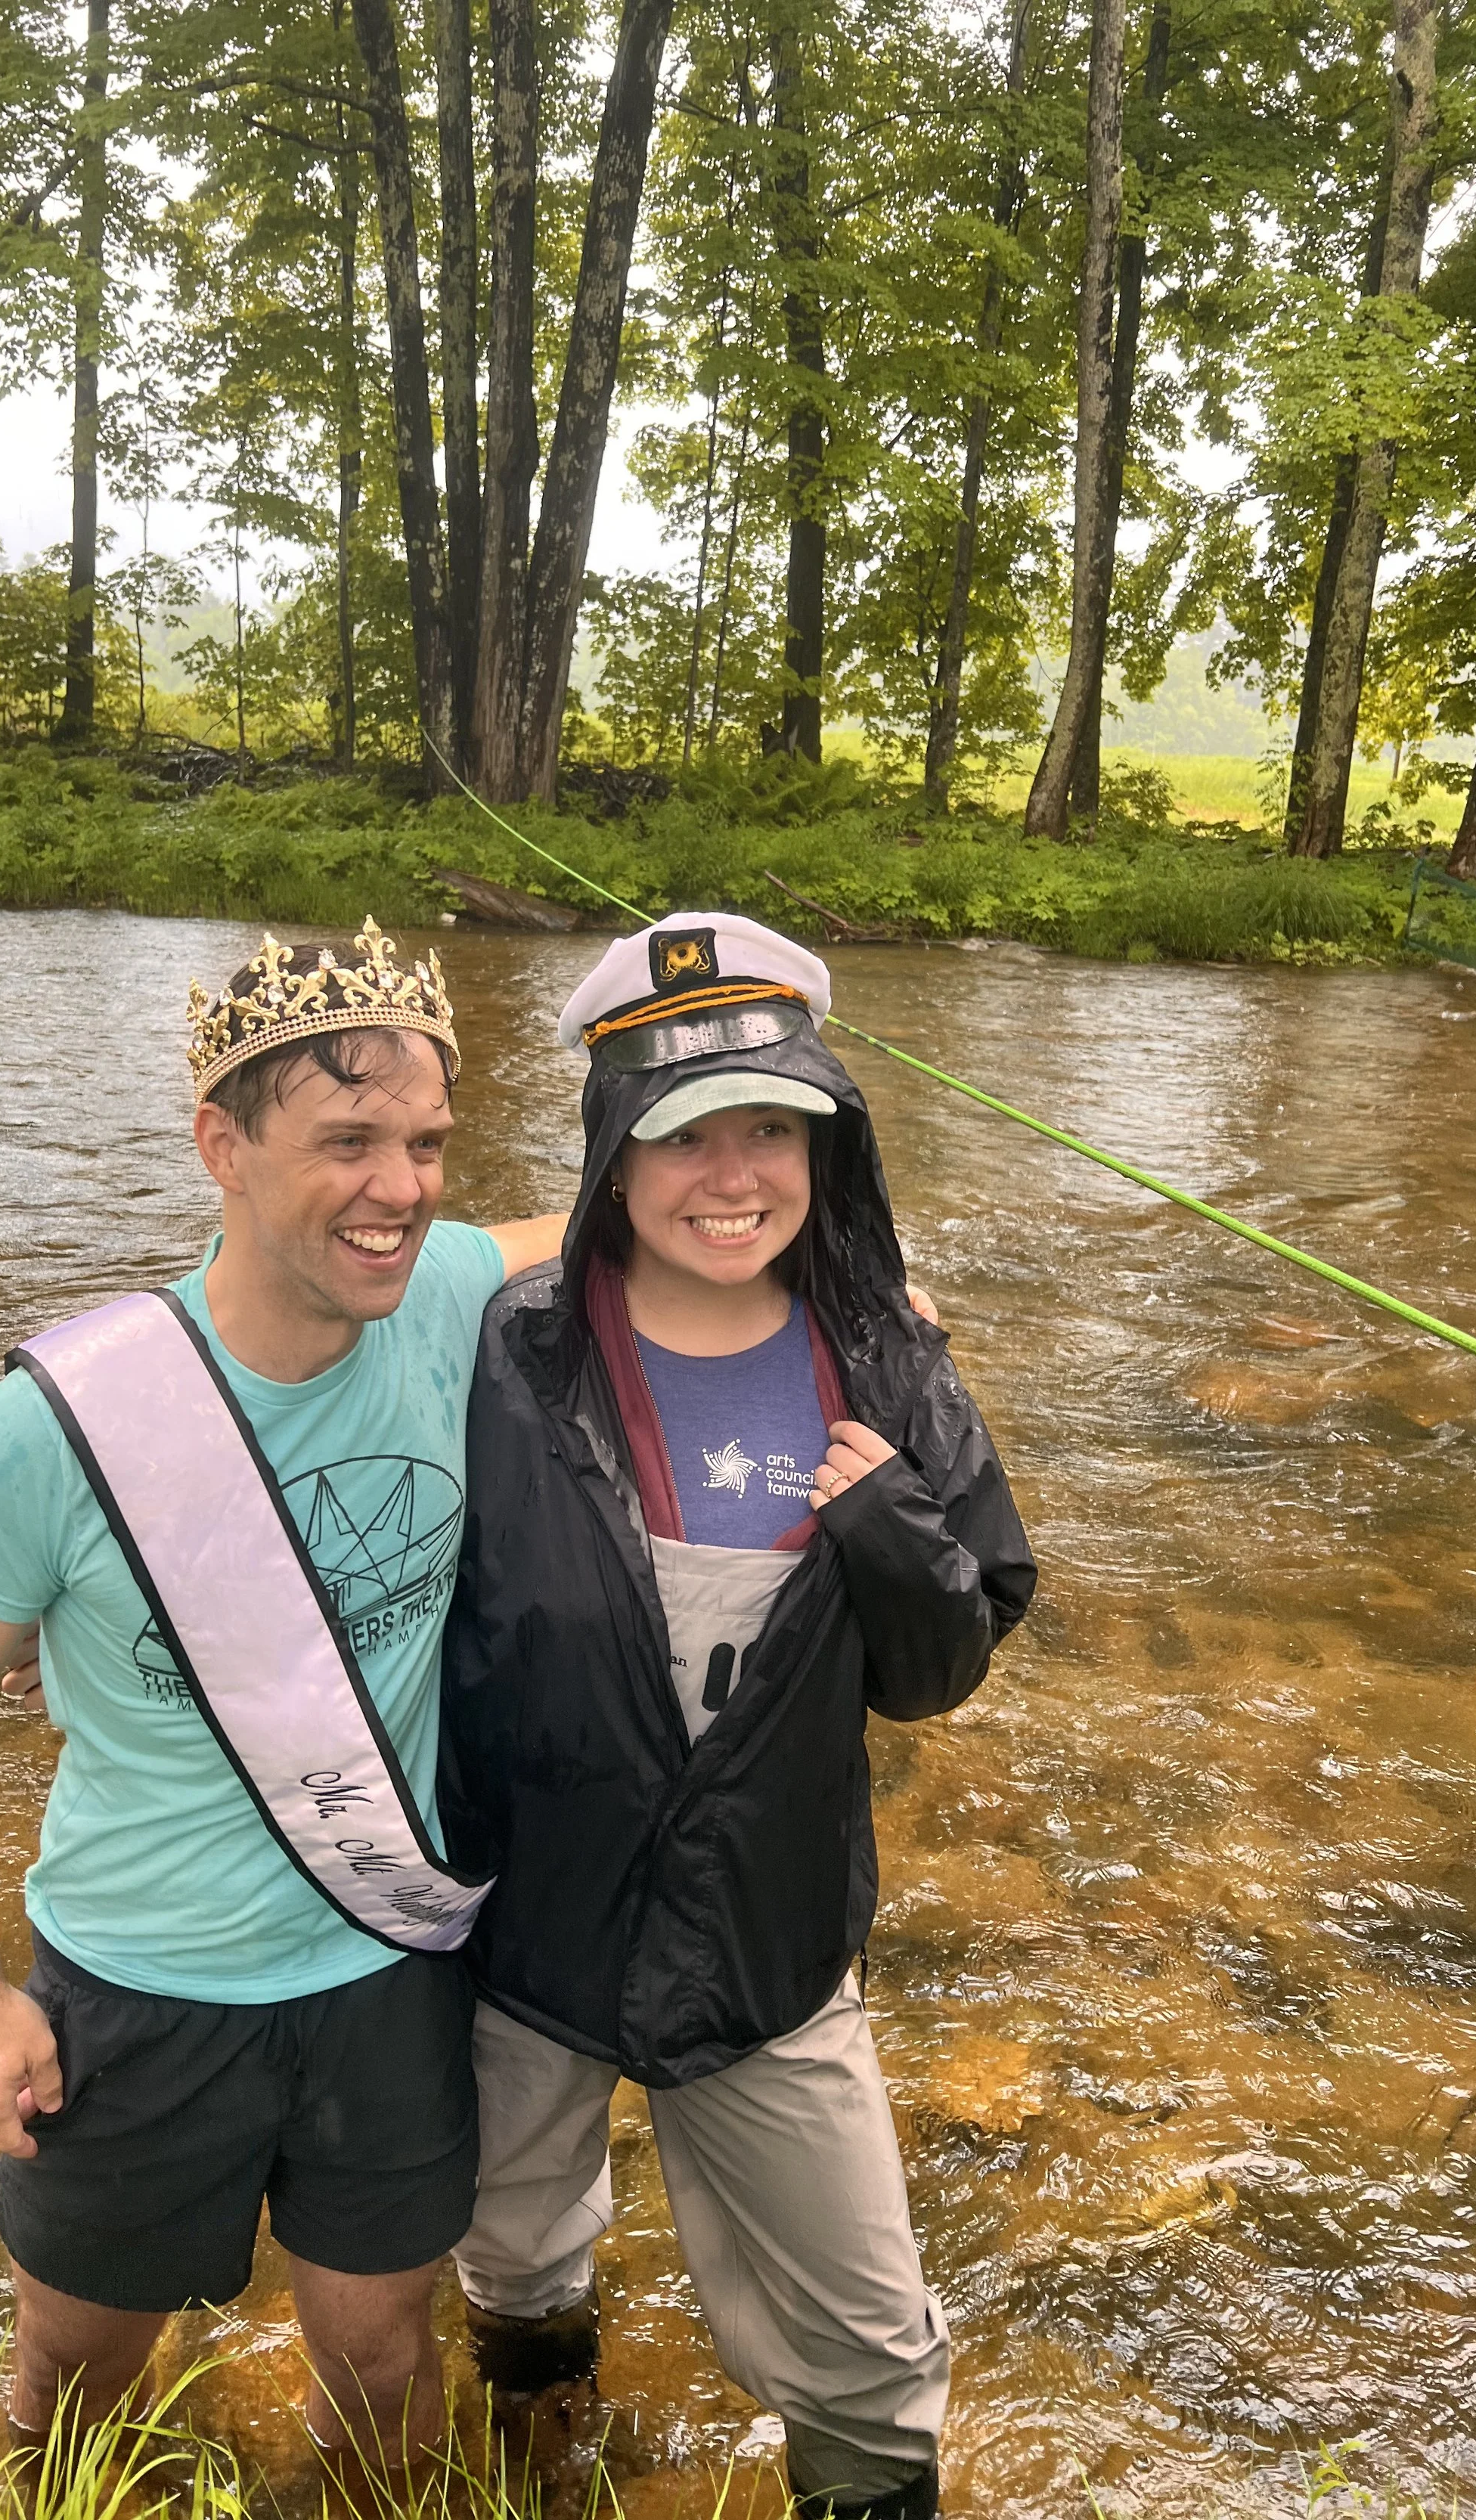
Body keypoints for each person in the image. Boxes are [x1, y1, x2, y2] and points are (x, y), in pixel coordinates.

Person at [0, 920, 563, 2470]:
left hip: (380, 1973)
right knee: (75, 2379)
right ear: (220, 1147)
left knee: (384, 2368)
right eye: (349, 1141)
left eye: (428, 1141)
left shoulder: (440, 1290)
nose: (403, 1186)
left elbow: (624, 1226)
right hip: (134, 1989)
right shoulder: (52, 1433)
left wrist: (838, 1281)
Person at [439, 913, 1037, 2520]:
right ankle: (539, 2440)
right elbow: (299, 1442)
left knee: (863, 2337)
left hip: (769, 1945)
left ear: (823, 1144)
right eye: (680, 1131)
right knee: (510, 2244)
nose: (729, 1173)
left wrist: (894, 1531)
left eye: (768, 1125)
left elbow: (936, 1671)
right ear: (607, 1159)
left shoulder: (893, 1366)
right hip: (529, 1927)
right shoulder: (502, 1355)